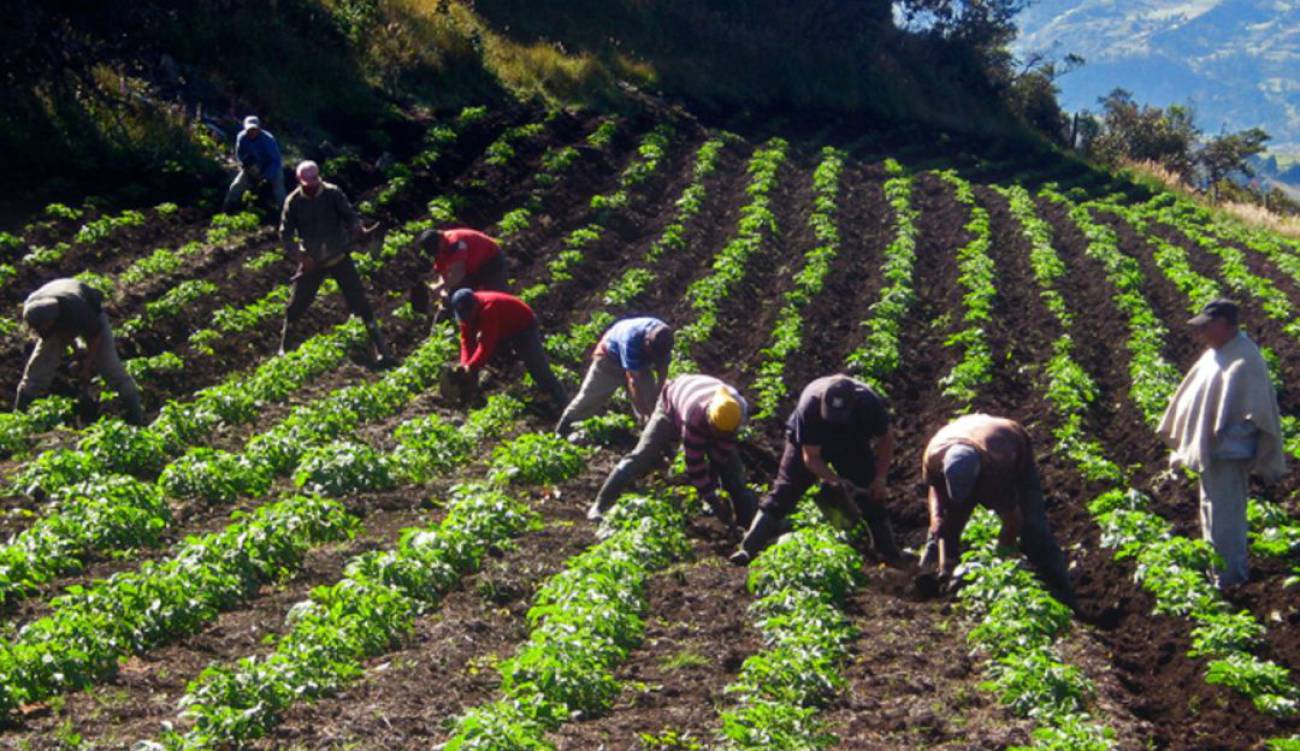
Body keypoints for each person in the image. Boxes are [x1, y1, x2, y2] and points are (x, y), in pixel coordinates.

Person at [1158, 299, 1285, 588]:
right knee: (1211, 511)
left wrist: (1225, 436)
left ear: (1225, 324)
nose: (1201, 333)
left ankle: (1229, 578)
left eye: (1207, 326)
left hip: (1228, 454)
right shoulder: (1216, 354)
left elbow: (1258, 413)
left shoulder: (1245, 358)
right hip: (1212, 454)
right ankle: (1216, 571)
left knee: (1226, 517)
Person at [731, 374, 899, 565]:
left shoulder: (869, 404)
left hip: (853, 444)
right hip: (809, 443)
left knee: (870, 493)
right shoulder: (809, 405)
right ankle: (747, 549)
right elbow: (811, 457)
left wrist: (880, 479)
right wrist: (835, 480)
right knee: (785, 491)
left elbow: (886, 439)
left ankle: (889, 554)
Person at [918, 413, 1073, 599]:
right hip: (964, 434)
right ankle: (928, 574)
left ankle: (1061, 591)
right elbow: (934, 487)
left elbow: (1013, 520)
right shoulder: (934, 455)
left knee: (1033, 527)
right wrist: (936, 518)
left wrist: (1002, 554)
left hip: (1010, 442)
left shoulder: (997, 467)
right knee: (944, 526)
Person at [589, 373, 758, 529]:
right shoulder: (695, 416)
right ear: (710, 421)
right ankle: (600, 504)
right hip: (670, 405)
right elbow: (694, 464)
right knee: (644, 454)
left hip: (697, 396)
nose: (720, 436)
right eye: (717, 432)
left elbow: (723, 449)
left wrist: (715, 478)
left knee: (732, 471)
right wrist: (713, 499)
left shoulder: (738, 410)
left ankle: (746, 526)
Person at [279, 160, 391, 364]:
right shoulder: (293, 202)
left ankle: (381, 349)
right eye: (307, 183)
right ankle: (284, 349)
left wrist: (357, 227)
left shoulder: (332, 193)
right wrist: (302, 257)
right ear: (299, 181)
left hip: (338, 255)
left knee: (360, 303)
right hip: (312, 259)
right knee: (296, 305)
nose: (311, 186)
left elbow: (349, 215)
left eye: (314, 181)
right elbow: (285, 235)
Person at [15, 278, 143, 425]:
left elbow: (95, 336)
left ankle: (135, 417)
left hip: (91, 313)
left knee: (109, 365)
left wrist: (87, 367)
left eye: (46, 326)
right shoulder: (35, 313)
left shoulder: (79, 310)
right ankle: (19, 417)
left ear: (52, 320)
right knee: (39, 367)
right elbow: (61, 333)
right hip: (59, 303)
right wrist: (76, 351)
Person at [555, 317, 674, 436]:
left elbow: (663, 367)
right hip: (610, 359)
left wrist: (658, 391)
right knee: (589, 399)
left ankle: (651, 436)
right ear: (646, 342)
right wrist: (643, 410)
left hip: (639, 363)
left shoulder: (664, 338)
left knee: (651, 401)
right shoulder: (632, 338)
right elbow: (633, 381)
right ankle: (562, 430)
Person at [451, 288, 567, 408]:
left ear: (474, 306)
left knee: (538, 368)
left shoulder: (488, 308)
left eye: (469, 315)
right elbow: (466, 341)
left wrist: (471, 366)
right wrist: (464, 364)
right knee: (475, 362)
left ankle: (563, 403)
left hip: (523, 327)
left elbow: (486, 345)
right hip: (503, 328)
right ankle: (471, 395)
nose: (467, 319)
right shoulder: (466, 314)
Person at [417, 227, 509, 312]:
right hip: (473, 267)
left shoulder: (455, 242)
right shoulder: (439, 250)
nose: (436, 254)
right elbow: (443, 272)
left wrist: (441, 287)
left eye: (436, 250)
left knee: (497, 297)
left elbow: (458, 273)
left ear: (440, 239)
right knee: (463, 296)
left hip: (491, 261)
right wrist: (442, 291)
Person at [223, 115, 286, 212]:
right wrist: (246, 164)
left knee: (278, 189)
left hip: (271, 167)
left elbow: (276, 161)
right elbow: (239, 154)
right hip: (253, 167)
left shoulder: (268, 139)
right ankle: (228, 209)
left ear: (259, 128)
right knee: (236, 186)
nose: (252, 132)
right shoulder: (241, 137)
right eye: (249, 129)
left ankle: (284, 211)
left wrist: (266, 175)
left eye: (254, 129)